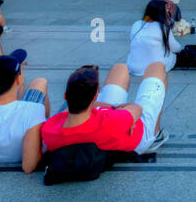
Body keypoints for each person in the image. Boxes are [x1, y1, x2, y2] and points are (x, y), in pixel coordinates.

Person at [41, 62, 169, 157]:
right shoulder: (112, 121)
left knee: (120, 68)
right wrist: (119, 109)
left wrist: (110, 107)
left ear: (65, 96)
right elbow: (137, 108)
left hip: (109, 121)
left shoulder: (49, 130)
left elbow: (69, 111)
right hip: (137, 139)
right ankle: (155, 133)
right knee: (156, 67)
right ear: (95, 96)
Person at [128, 0, 184, 74]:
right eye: (166, 9)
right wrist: (182, 49)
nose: (167, 12)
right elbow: (175, 48)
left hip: (133, 67)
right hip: (154, 69)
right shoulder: (163, 27)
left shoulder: (136, 24)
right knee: (172, 54)